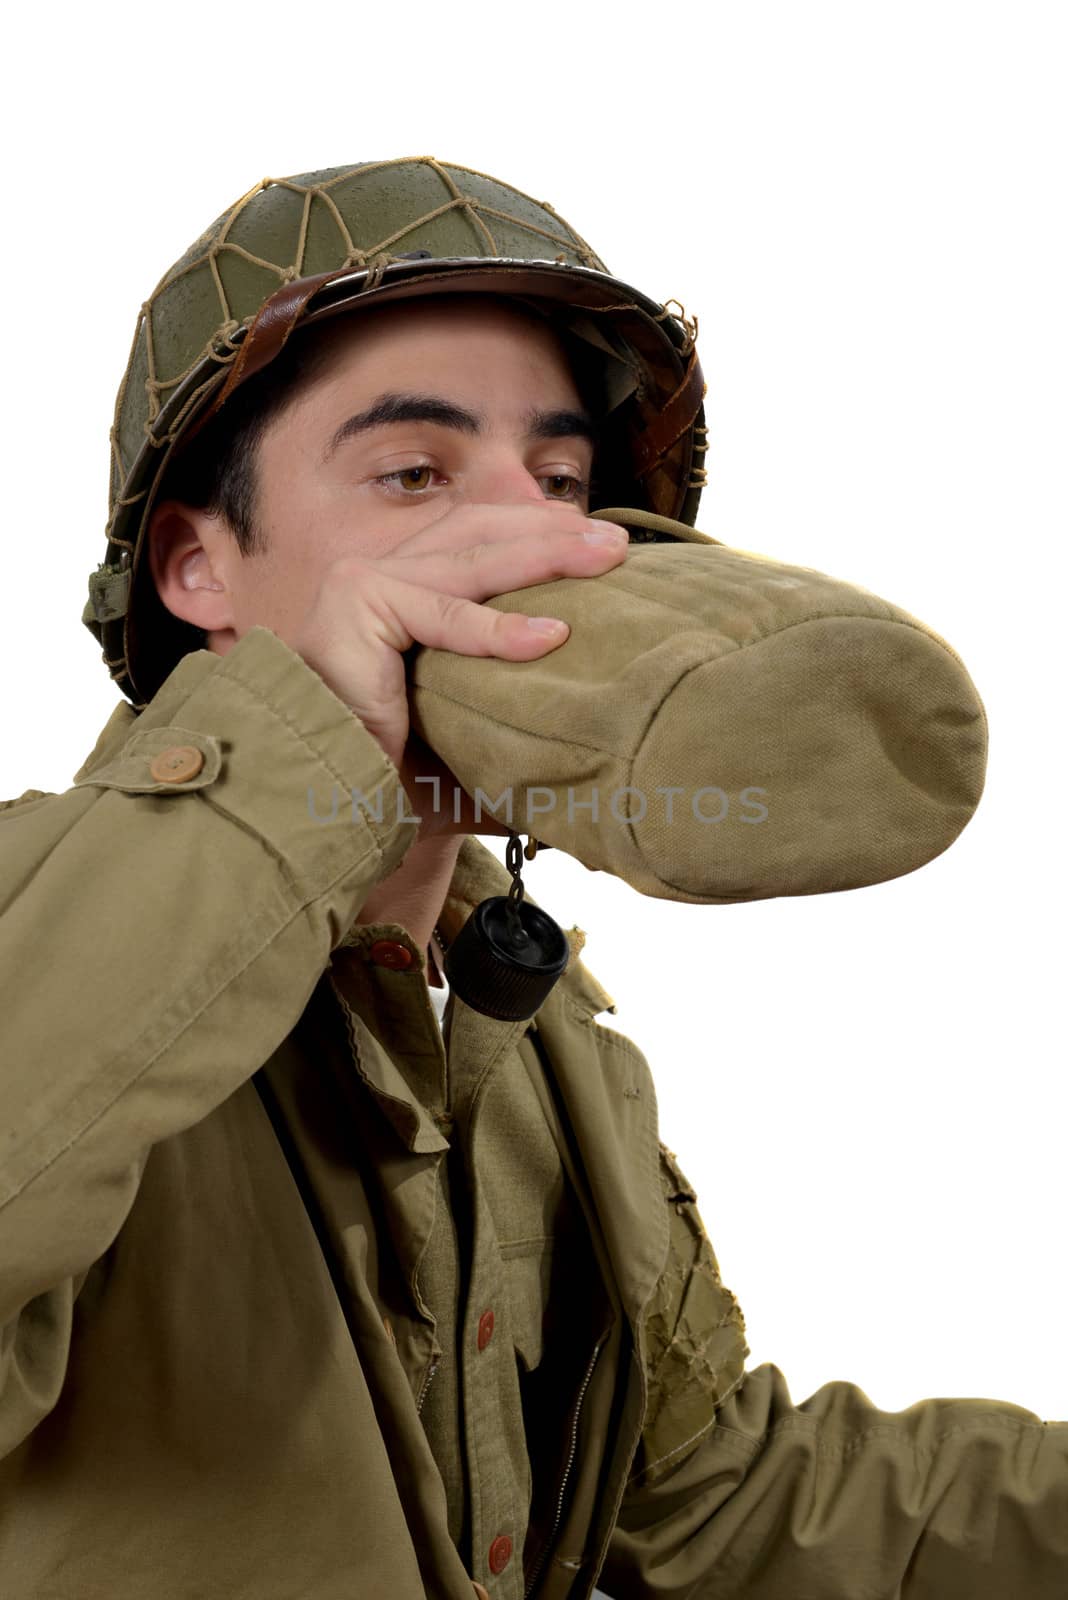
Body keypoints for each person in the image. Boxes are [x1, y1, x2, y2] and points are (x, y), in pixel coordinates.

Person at [0, 156, 1063, 1599]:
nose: (535, 540)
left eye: (563, 483)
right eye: (414, 474)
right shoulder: (38, 916)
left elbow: (707, 1498)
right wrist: (301, 758)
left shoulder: (524, 1026)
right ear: (196, 565)